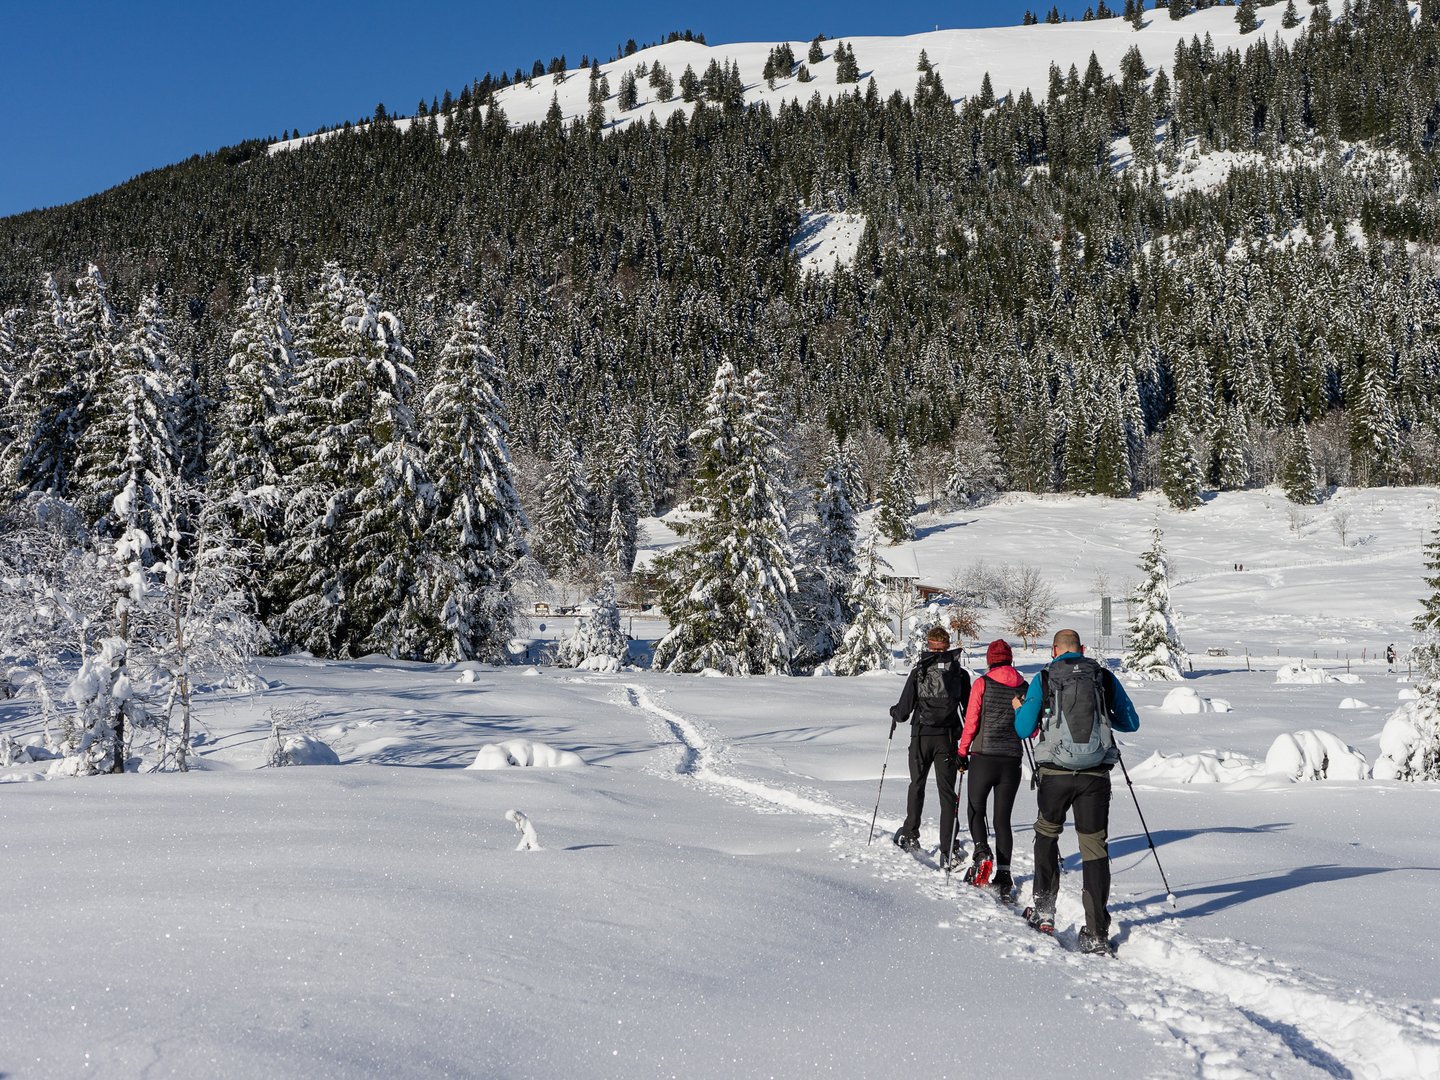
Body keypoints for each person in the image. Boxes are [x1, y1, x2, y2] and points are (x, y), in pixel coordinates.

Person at [1012, 628, 1140, 956]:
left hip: (1055, 773)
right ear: (1081, 649)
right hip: (1095, 776)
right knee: (1094, 848)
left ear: (1054, 650)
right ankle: (1096, 931)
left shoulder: (1045, 678)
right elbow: (1130, 723)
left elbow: (1024, 729)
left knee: (1047, 835)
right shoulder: (1102, 677)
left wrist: (1025, 709)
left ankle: (1044, 911)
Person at [889, 626, 972, 870]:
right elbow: (969, 712)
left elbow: (903, 713)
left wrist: (894, 711)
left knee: (917, 785)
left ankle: (911, 834)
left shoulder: (919, 672)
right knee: (947, 793)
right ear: (947, 646)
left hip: (921, 736)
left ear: (929, 645)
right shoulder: (960, 674)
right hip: (946, 739)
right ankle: (948, 848)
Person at [958, 639, 1028, 897]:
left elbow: (971, 721)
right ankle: (1005, 873)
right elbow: (1031, 727)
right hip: (1011, 760)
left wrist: (961, 751)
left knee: (976, 807)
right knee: (1002, 819)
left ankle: (981, 852)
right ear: (1010, 659)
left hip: (983, 756)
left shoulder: (982, 684)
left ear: (990, 660)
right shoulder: (1024, 686)